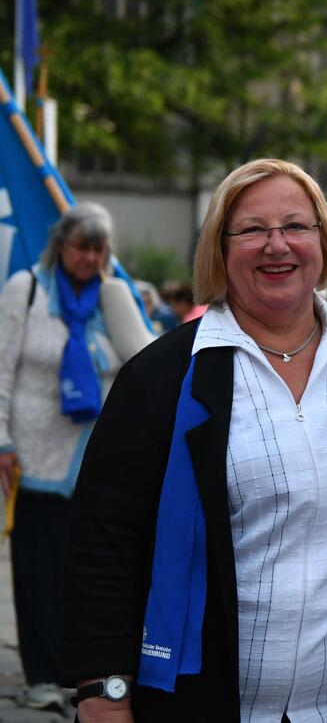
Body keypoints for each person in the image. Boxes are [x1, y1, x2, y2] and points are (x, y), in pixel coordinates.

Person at [62, 159, 327, 722]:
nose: (278, 245)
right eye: (252, 230)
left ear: (324, 241)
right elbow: (104, 540)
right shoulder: (163, 376)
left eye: (297, 226)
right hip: (212, 703)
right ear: (219, 250)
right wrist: (105, 693)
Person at [0, 203, 154, 712]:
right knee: (37, 569)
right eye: (81, 247)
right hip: (37, 456)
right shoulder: (27, 289)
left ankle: (80, 672)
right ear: (60, 245)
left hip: (97, 457)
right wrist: (2, 441)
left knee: (85, 572)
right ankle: (42, 673)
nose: (89, 258)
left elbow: (143, 359)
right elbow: (1, 371)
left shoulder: (111, 296)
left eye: (98, 249)